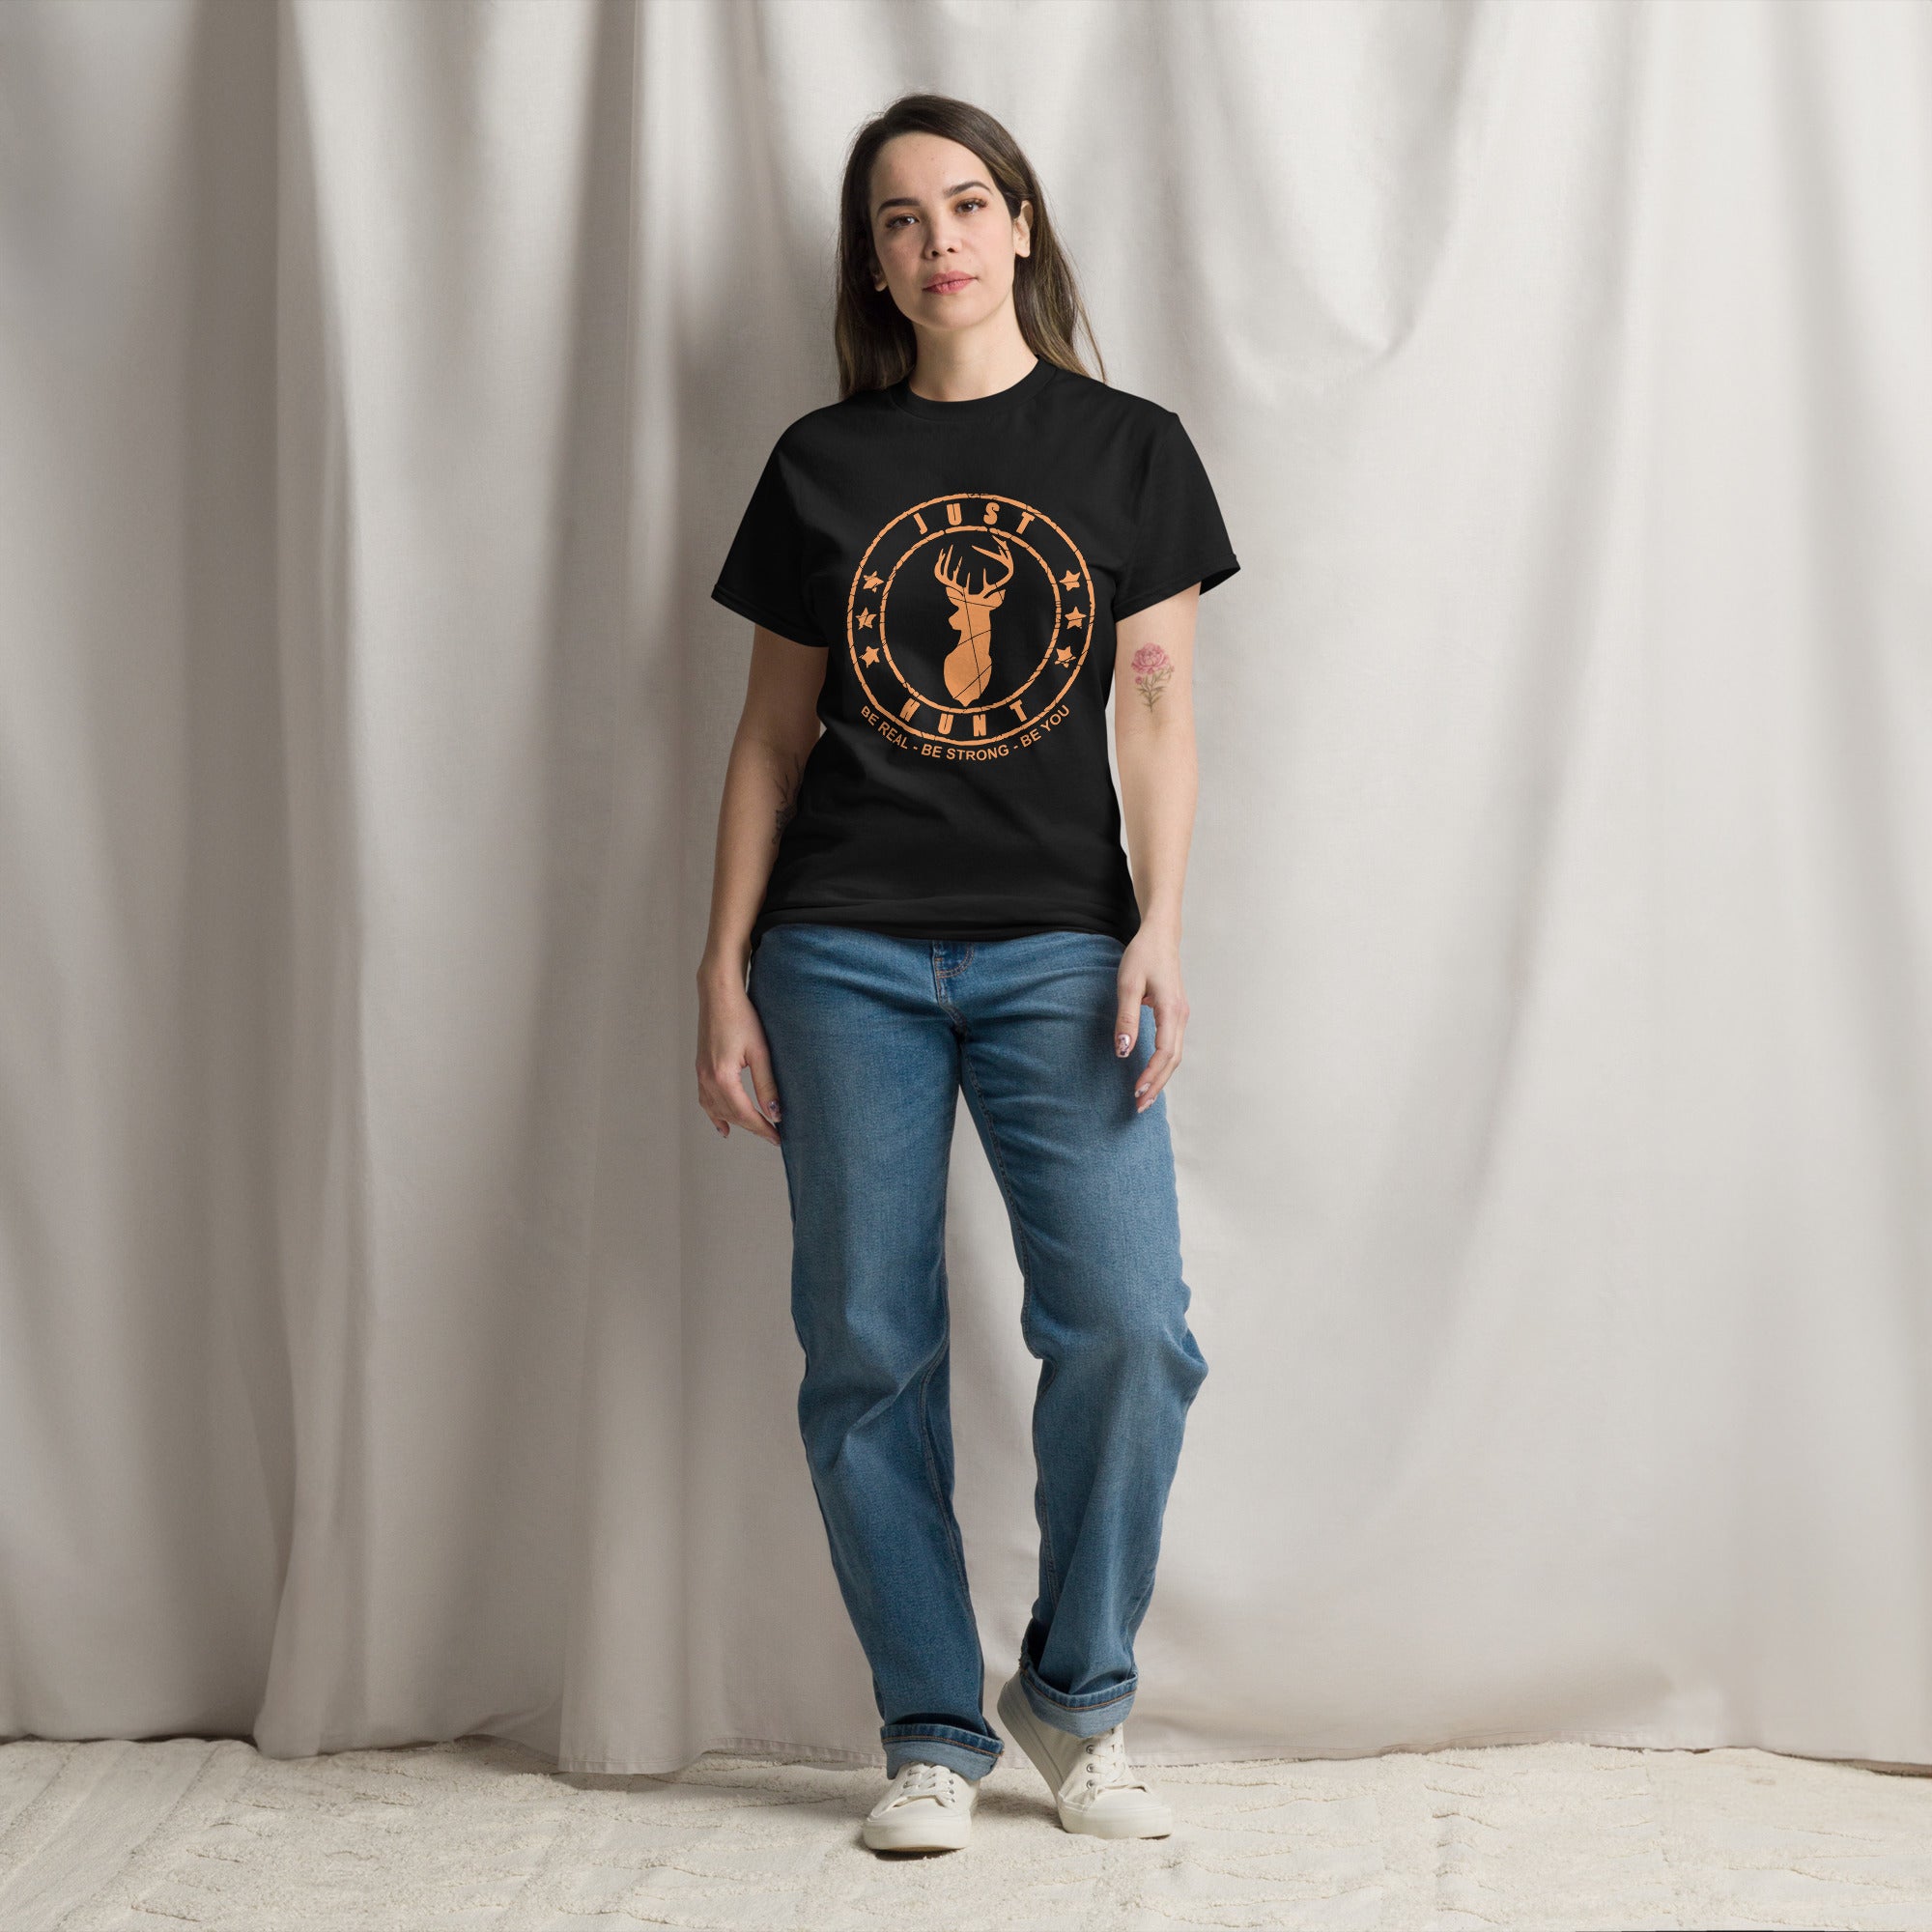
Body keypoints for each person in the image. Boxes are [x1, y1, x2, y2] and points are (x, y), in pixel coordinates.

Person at [696, 92, 1238, 1857]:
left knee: (1131, 1333)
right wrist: (722, 970)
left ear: (1021, 226)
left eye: (968, 204)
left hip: (1062, 948)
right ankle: (931, 1726)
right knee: (865, 1345)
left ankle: (1074, 1697)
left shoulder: (1129, 451)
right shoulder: (822, 463)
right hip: (838, 952)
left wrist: (1161, 922)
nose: (939, 240)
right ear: (875, 264)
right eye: (900, 219)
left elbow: (1156, 714)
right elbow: (770, 742)